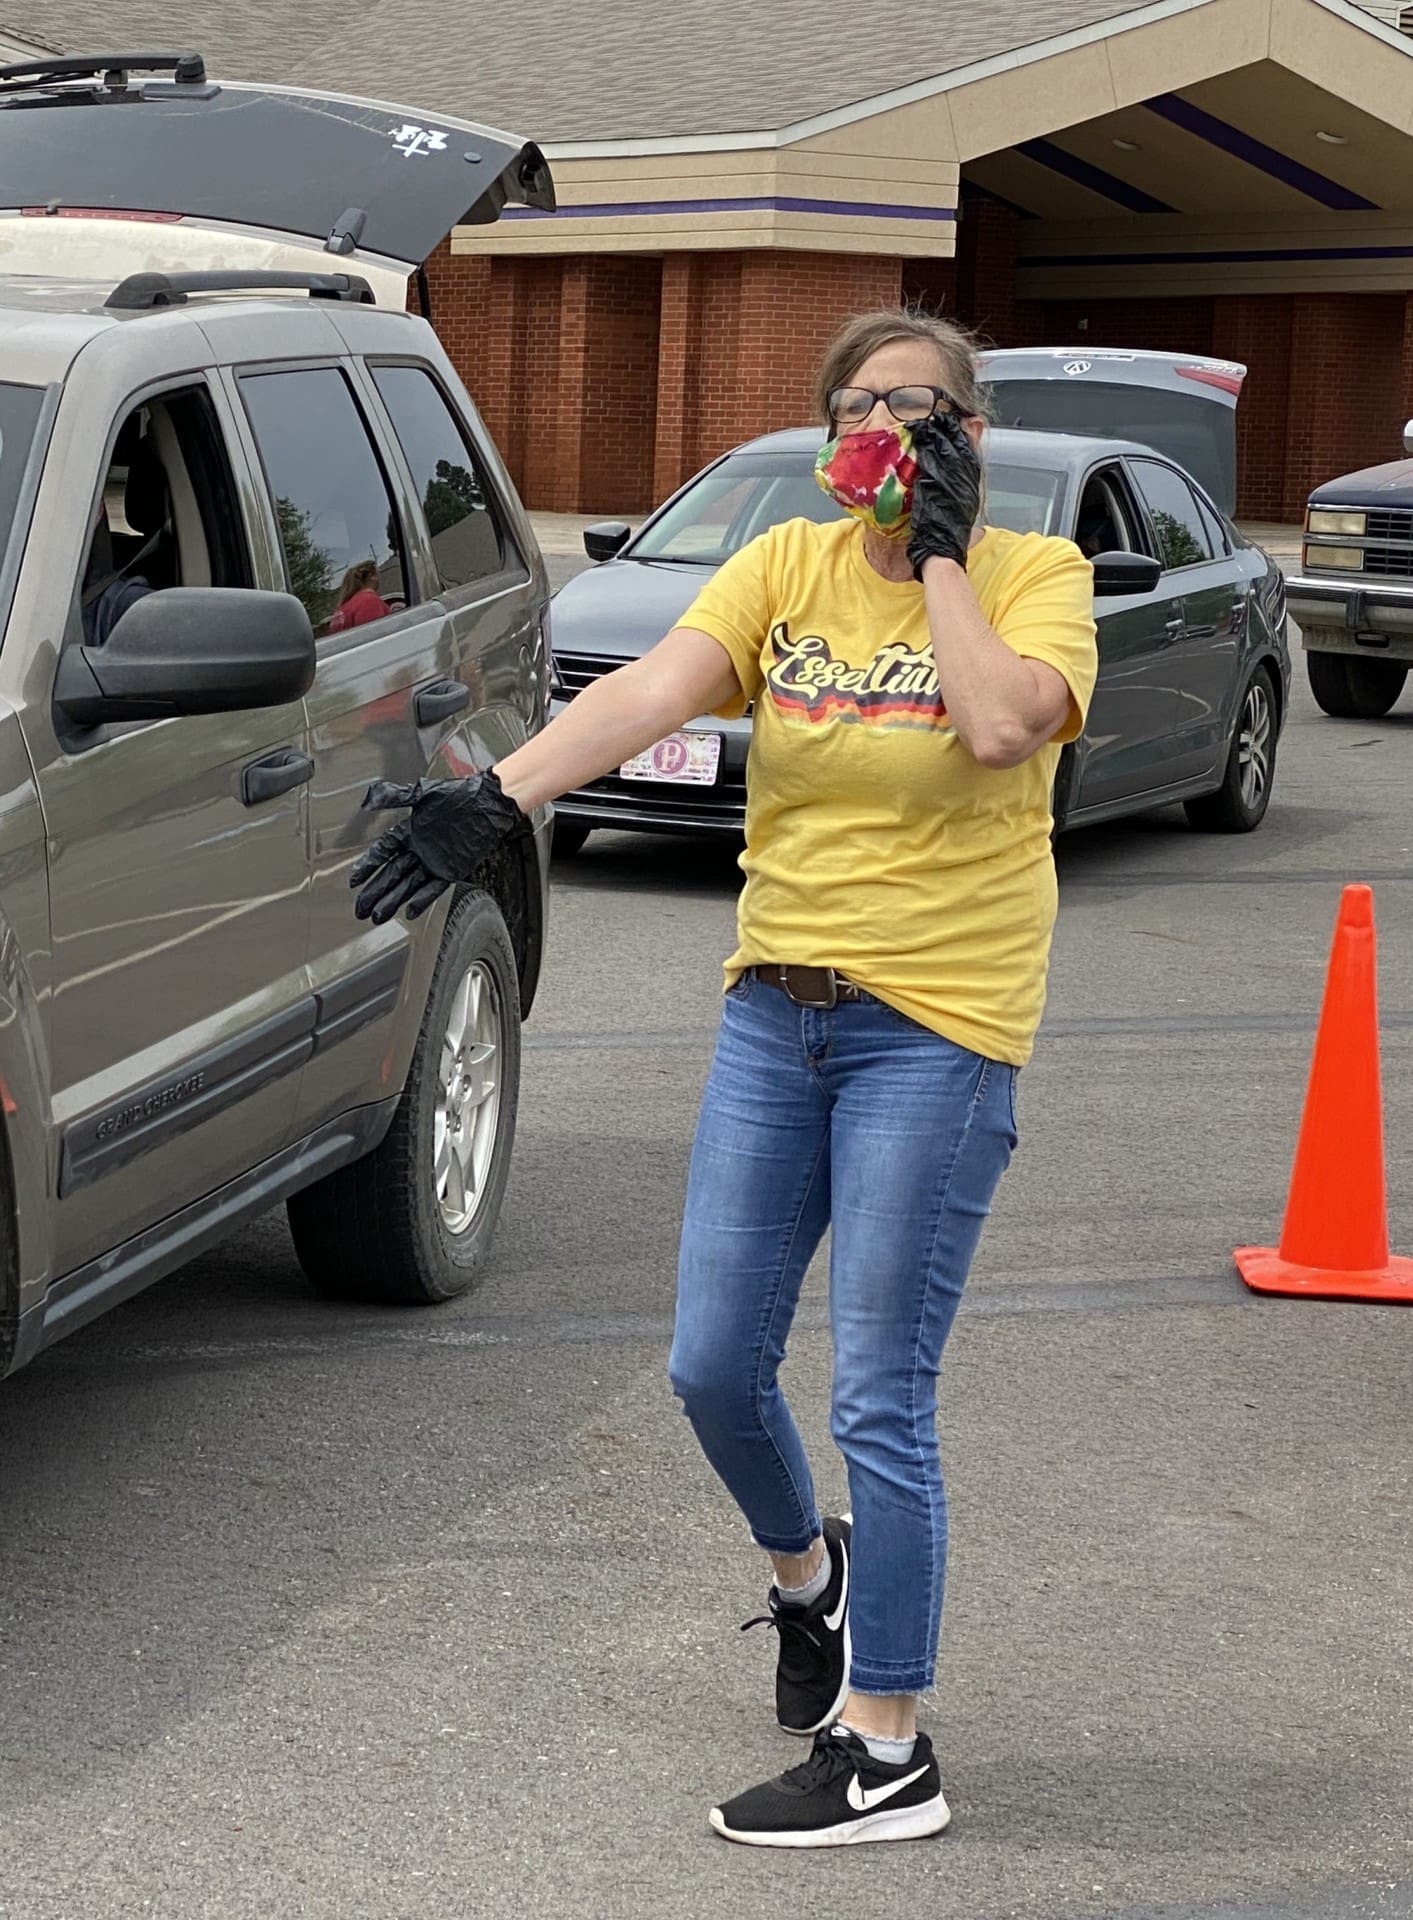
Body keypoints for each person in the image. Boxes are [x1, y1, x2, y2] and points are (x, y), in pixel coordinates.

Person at [348, 308, 1096, 1848]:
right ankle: (808, 1581)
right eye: (864, 404)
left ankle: (889, 1748)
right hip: (779, 1011)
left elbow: (1002, 721)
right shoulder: (784, 568)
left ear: (971, 436)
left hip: (939, 1027)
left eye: (925, 409)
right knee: (707, 1364)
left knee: (880, 1389)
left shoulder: (1039, 577)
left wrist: (945, 554)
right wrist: (494, 796)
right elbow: (656, 691)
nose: (889, 428)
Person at [327, 558, 392, 634]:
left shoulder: (344, 606)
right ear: (371, 576)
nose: (379, 578)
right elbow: (374, 635)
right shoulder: (369, 601)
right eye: (378, 574)